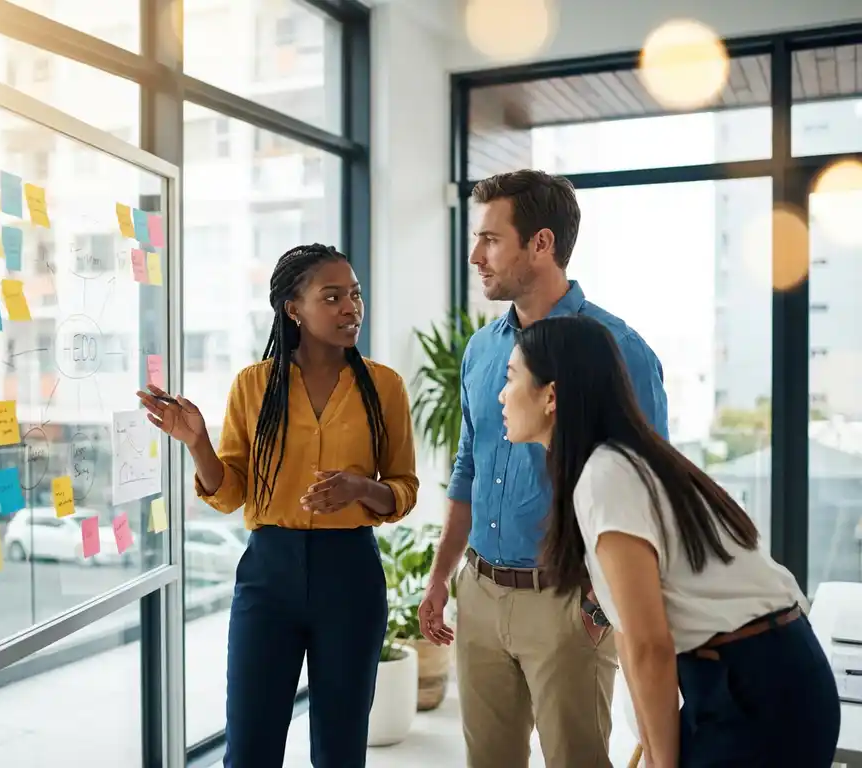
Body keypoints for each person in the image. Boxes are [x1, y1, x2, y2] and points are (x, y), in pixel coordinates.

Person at [498, 314, 840, 767]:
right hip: (752, 674)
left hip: (761, 687)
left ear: (551, 396)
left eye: (511, 378)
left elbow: (649, 646)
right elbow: (629, 632)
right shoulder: (617, 465)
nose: (501, 395)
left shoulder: (608, 475)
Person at [418, 170, 669, 767]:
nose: (476, 256)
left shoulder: (619, 349)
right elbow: (467, 469)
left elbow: (653, 490)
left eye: (491, 240)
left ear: (542, 243)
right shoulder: (483, 351)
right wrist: (440, 576)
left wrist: (598, 601)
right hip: (479, 593)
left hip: (566, 602)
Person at [137, 243, 419, 768]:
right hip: (269, 574)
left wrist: (360, 488)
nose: (350, 308)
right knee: (248, 750)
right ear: (293, 308)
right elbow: (229, 493)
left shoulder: (384, 387)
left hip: (350, 573)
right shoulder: (254, 385)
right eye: (332, 297)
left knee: (339, 751)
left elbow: (403, 488)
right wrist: (198, 442)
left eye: (354, 295)